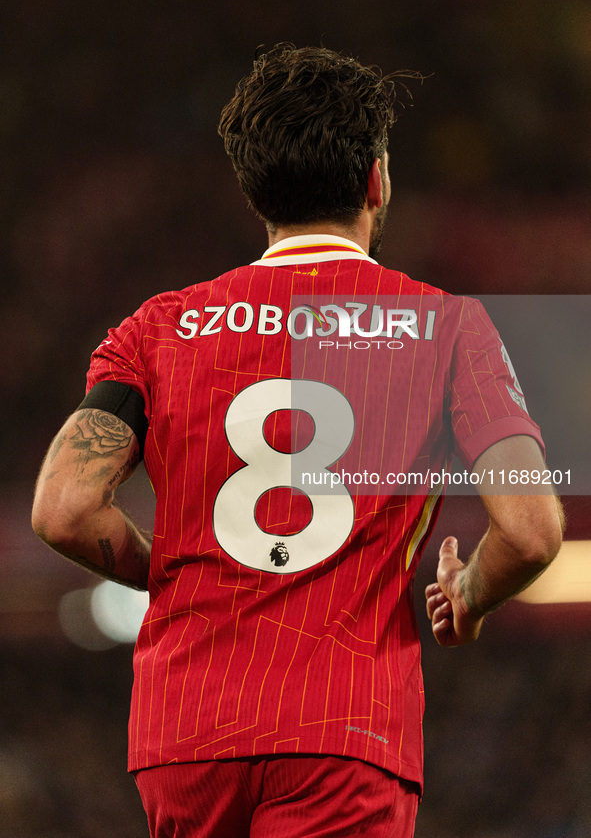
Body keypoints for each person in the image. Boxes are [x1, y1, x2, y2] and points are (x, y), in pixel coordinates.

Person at [32, 43, 563, 838]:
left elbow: (64, 510)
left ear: (256, 192)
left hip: (184, 735)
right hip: (344, 730)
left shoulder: (159, 326)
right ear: (376, 179)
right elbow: (530, 529)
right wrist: (469, 593)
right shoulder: (446, 326)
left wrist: (178, 573)